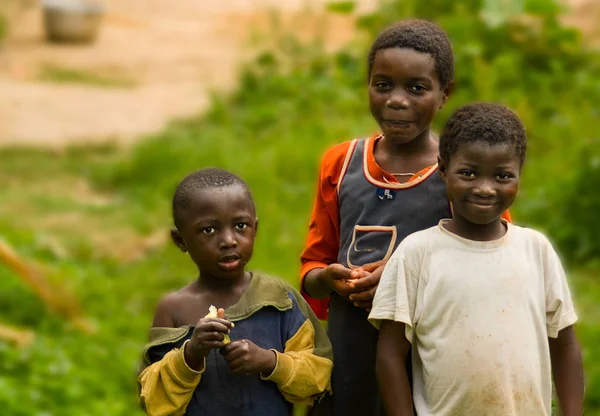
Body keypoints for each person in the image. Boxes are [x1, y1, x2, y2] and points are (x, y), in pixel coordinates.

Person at [369, 103, 585, 416]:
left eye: (502, 176)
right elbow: (389, 355)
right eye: (468, 173)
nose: (485, 188)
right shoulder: (417, 254)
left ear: (519, 176)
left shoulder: (535, 250)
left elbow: (564, 345)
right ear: (443, 169)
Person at [300, 19, 463, 415]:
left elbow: (492, 268)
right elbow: (311, 271)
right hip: (349, 362)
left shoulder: (463, 175)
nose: (397, 100)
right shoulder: (341, 165)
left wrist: (402, 280)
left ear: (444, 95)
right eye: (383, 84)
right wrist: (332, 278)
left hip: (431, 362)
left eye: (417, 88)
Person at [138, 168, 333, 416]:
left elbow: (318, 378)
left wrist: (270, 361)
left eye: (240, 226)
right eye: (209, 230)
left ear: (255, 228)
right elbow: (155, 402)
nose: (229, 240)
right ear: (180, 240)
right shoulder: (173, 309)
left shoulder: (278, 299)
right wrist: (191, 354)